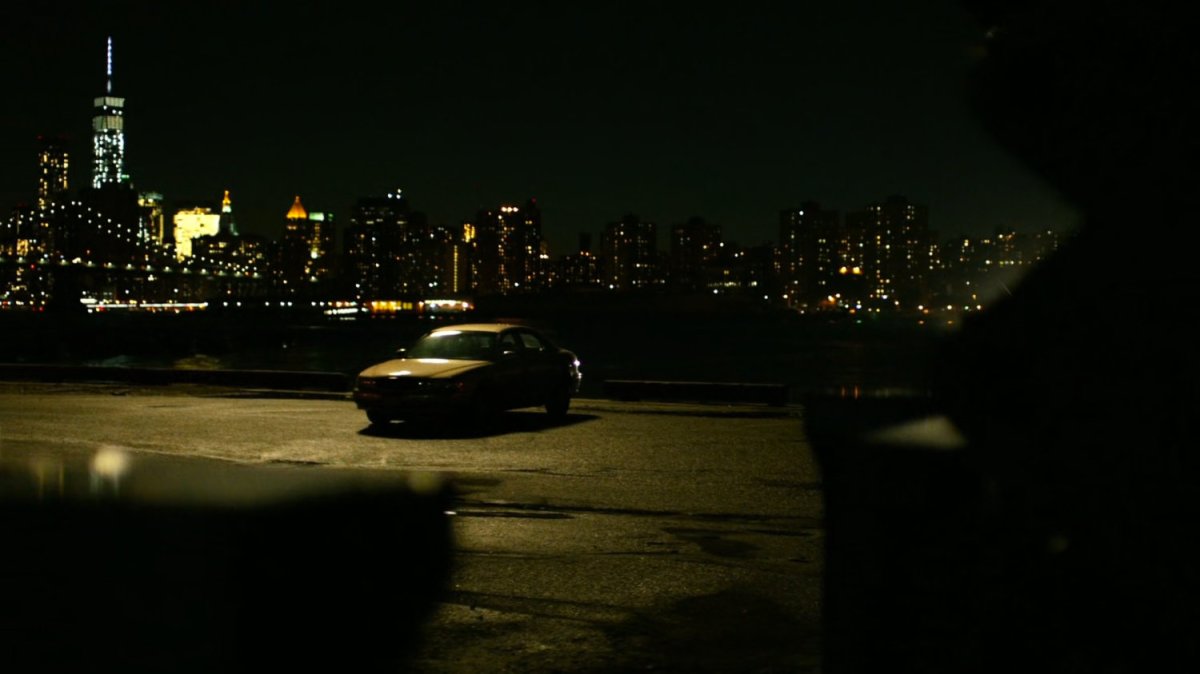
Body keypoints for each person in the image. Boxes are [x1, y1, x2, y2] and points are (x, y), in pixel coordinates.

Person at [935, 1, 1200, 670]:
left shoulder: (1148, 230)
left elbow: (993, 374)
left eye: (998, 31)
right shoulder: (1143, 232)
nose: (988, 56)